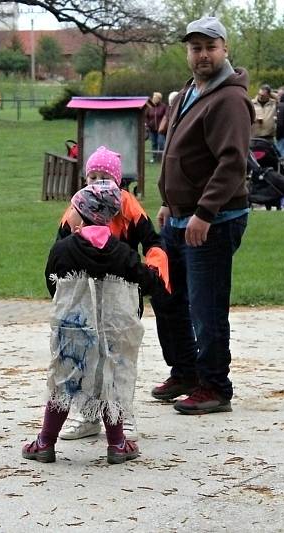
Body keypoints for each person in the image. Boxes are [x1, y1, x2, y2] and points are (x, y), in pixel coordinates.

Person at [22, 180, 165, 464]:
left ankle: (45, 442)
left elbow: (54, 285)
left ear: (83, 214)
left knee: (63, 381)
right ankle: (117, 444)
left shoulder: (63, 249)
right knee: (110, 381)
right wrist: (153, 274)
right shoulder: (123, 254)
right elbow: (147, 282)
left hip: (74, 334)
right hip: (110, 335)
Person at [151, 16, 252, 415]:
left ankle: (214, 386)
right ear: (187, 52)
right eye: (195, 47)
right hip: (179, 216)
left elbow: (231, 163)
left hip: (213, 220)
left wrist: (205, 213)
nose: (203, 54)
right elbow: (178, 153)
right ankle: (186, 371)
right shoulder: (187, 94)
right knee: (167, 296)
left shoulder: (230, 99)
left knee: (205, 305)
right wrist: (168, 200)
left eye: (210, 46)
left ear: (224, 48)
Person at [55, 146, 169, 441]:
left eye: (104, 177)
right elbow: (61, 250)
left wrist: (152, 275)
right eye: (92, 176)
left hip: (122, 294)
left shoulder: (129, 207)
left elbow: (153, 242)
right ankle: (90, 415)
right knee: (88, 354)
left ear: (117, 182)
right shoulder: (77, 208)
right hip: (86, 296)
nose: (97, 182)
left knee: (120, 356)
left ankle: (122, 414)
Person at [145, 92, 167, 162]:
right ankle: (154, 158)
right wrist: (148, 124)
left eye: (155, 97)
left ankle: (161, 159)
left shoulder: (163, 106)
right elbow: (146, 116)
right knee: (153, 144)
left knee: (161, 143)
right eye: (153, 97)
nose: (154, 98)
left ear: (159, 99)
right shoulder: (150, 107)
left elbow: (166, 117)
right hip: (152, 129)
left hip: (161, 129)